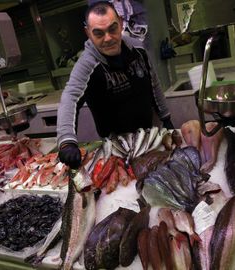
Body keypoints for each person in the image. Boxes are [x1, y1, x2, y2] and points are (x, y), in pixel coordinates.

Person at [57, 1, 174, 169]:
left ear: (120, 23)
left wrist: (166, 117)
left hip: (151, 136)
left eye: (112, 29)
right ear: (88, 33)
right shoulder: (87, 64)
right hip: (117, 148)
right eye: (98, 33)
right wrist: (66, 141)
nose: (108, 38)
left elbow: (153, 83)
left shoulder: (138, 49)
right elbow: (69, 98)